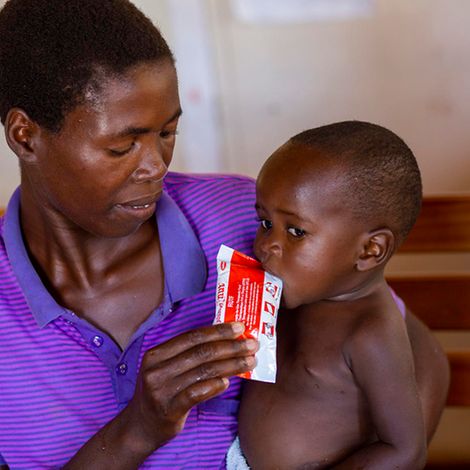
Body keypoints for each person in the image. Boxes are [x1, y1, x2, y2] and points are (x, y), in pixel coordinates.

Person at [0, 1, 448, 468]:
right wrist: (137, 431)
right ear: (25, 135)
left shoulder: (248, 222)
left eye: (167, 133)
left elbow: (416, 355)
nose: (156, 167)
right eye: (122, 146)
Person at [232, 121, 445, 470]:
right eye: (265, 222)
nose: (268, 245)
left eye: (296, 231)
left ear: (370, 251)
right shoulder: (291, 295)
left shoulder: (370, 332)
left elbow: (404, 450)